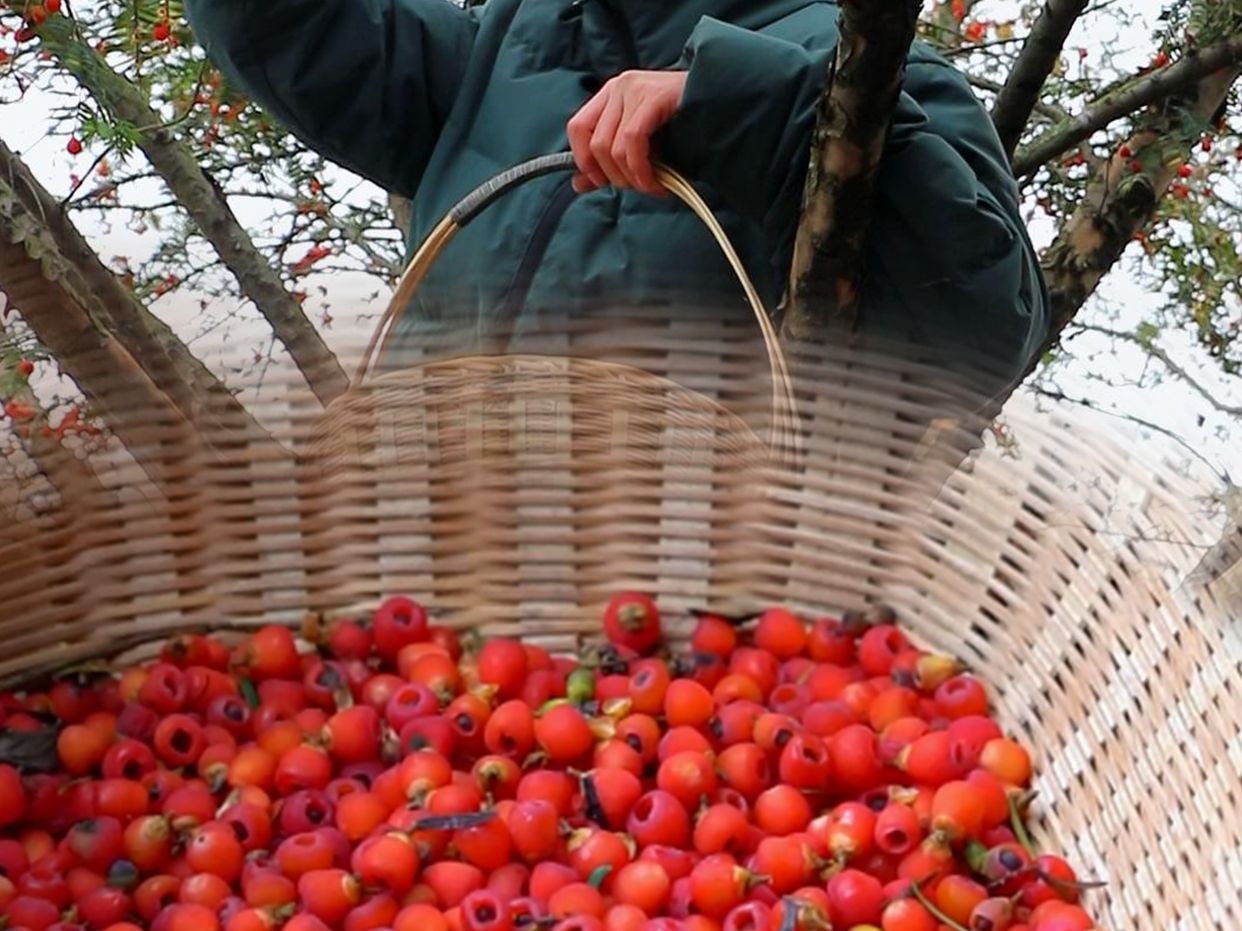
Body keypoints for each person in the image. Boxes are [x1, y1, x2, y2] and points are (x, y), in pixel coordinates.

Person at [184, 0, 1048, 390]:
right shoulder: (487, 62)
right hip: (427, 586)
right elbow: (288, 22)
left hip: (703, 655)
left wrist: (750, 110)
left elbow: (981, 322)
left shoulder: (865, 65)